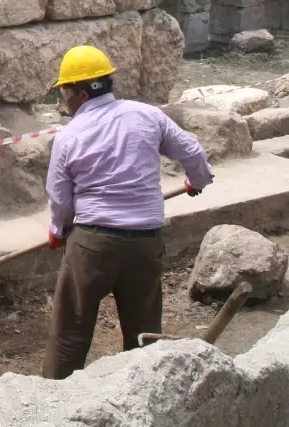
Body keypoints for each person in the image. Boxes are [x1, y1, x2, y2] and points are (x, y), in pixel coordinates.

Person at [42, 45, 214, 380]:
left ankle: (51, 400)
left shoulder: (69, 136)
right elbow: (192, 150)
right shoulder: (147, 115)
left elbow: (59, 198)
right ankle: (145, 395)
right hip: (145, 244)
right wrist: (198, 179)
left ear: (78, 93)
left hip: (92, 244)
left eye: (64, 92)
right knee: (143, 334)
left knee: (70, 334)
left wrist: (58, 229)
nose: (63, 100)